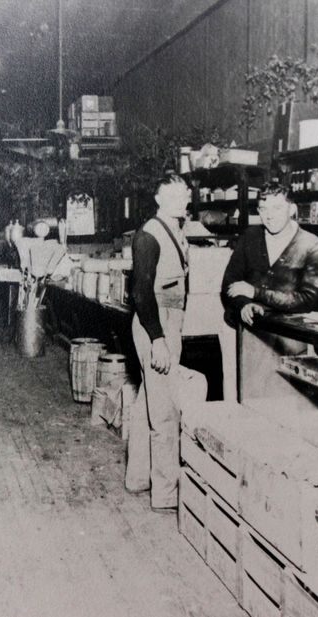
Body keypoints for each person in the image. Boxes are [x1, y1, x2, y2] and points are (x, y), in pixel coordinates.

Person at [217, 184, 318, 400]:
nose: (269, 216)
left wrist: (256, 293)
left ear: (292, 209)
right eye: (263, 209)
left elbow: (308, 300)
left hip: (288, 338)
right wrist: (243, 304)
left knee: (284, 398)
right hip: (245, 333)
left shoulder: (311, 245)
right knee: (242, 396)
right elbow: (229, 283)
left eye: (276, 208)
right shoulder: (250, 237)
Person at [125, 172, 191, 512]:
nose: (184, 199)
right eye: (176, 194)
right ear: (160, 199)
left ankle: (138, 478)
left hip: (166, 321)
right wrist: (159, 340)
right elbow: (140, 292)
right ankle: (166, 494)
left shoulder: (176, 229)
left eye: (186, 193)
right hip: (157, 323)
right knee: (165, 413)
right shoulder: (149, 235)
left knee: (147, 403)